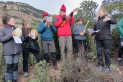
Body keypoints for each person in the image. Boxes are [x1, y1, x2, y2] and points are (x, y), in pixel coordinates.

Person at [89, 8, 117, 73]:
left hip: (106, 38)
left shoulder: (107, 18)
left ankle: (108, 66)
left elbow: (115, 21)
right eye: (98, 11)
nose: (99, 12)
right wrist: (91, 33)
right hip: (98, 39)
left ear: (104, 12)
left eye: (100, 11)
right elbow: (94, 30)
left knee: (107, 53)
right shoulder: (96, 21)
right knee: (99, 53)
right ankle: (100, 65)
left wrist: (109, 19)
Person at [0, 16, 22, 82]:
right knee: (9, 66)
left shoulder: (17, 29)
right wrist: (11, 34)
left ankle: (15, 79)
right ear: (8, 21)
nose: (14, 21)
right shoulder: (3, 30)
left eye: (15, 20)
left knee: (15, 65)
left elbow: (22, 39)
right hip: (8, 51)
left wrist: (21, 37)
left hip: (17, 50)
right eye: (13, 20)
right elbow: (1, 39)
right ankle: (7, 79)